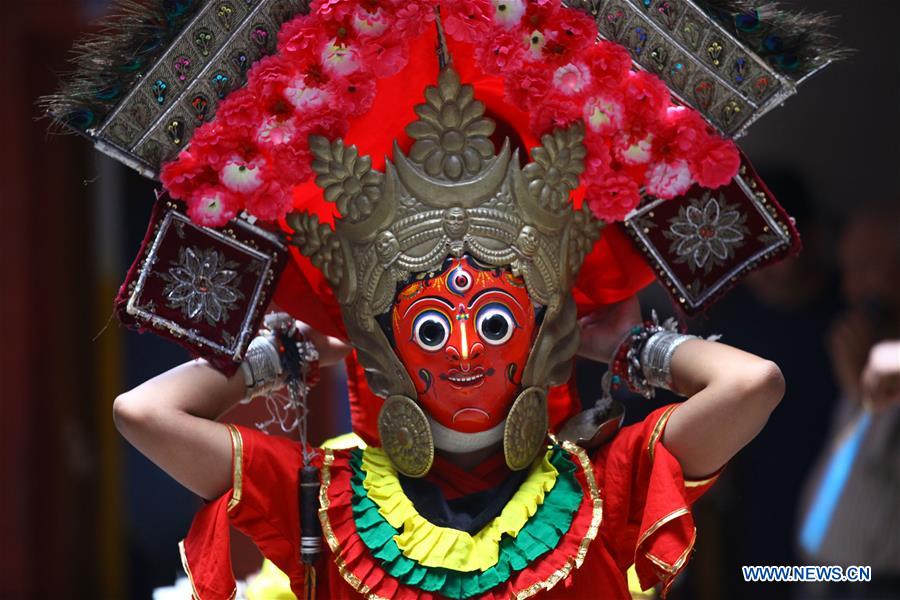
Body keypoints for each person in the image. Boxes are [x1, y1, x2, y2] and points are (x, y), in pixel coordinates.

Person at [796, 206, 900, 599]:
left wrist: (861, 391)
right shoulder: (872, 355)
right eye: (848, 271)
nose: (851, 289)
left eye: (866, 268)